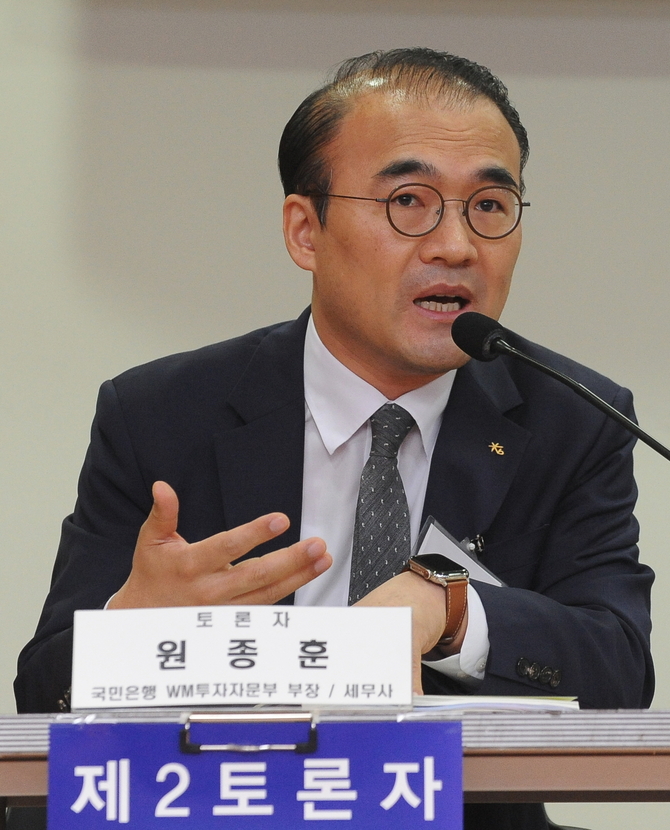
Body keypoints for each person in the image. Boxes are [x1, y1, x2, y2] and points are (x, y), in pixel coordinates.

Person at [14, 48, 653, 830]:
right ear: (305, 231)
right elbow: (42, 692)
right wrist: (125, 631)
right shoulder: (161, 414)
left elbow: (619, 672)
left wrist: (451, 611)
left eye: (490, 205)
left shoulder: (572, 418)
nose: (456, 245)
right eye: (409, 201)